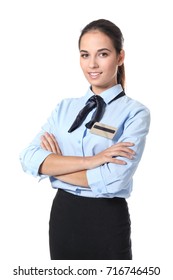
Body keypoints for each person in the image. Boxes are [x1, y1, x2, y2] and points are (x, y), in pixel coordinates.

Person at [20, 19, 150, 260]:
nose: (92, 64)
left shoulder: (135, 113)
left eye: (102, 54)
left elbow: (114, 179)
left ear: (120, 57)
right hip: (63, 217)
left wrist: (54, 168)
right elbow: (28, 158)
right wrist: (93, 161)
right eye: (84, 55)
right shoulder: (64, 109)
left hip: (107, 221)